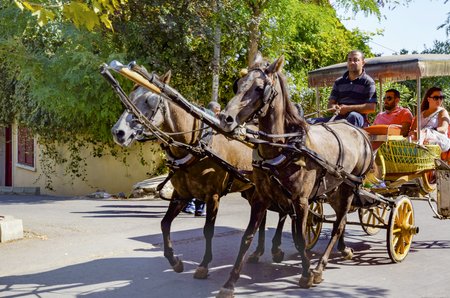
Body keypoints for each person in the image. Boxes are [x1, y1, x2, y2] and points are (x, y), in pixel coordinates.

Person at [308, 50, 377, 128]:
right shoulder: (339, 82)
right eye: (350, 60)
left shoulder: (368, 81)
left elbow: (371, 107)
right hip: (339, 118)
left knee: (353, 116)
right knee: (309, 121)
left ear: (363, 63)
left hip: (358, 118)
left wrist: (348, 109)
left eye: (356, 60)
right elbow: (330, 104)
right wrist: (333, 107)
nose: (352, 62)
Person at [182, 101, 221, 216]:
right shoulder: (210, 116)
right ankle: (197, 208)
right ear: (214, 110)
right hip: (203, 151)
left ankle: (193, 207)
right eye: (218, 111)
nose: (218, 113)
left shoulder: (200, 114)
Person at [408, 86, 450, 151]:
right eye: (436, 98)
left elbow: (443, 129)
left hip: (439, 140)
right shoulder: (421, 114)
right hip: (423, 139)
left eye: (441, 98)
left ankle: (416, 149)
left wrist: (428, 131)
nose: (439, 100)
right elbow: (412, 130)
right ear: (428, 99)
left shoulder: (442, 112)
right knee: (413, 135)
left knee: (422, 133)